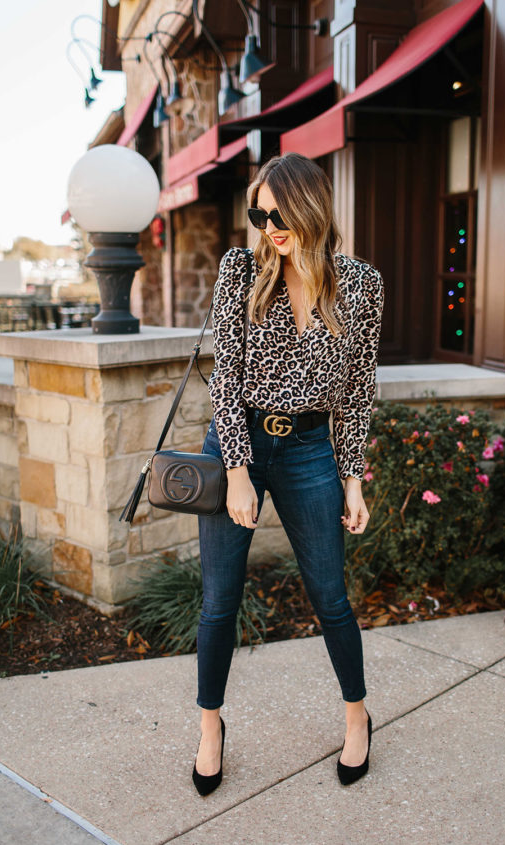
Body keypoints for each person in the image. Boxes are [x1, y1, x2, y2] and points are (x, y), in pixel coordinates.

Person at [192, 152, 384, 795]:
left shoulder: (359, 284)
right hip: (238, 440)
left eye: (278, 212)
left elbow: (357, 390)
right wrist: (238, 470)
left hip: (309, 451)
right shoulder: (240, 270)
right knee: (219, 601)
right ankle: (210, 727)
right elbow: (225, 378)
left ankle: (357, 718)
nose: (267, 224)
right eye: (258, 212)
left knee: (331, 597)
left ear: (311, 207)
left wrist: (353, 478)